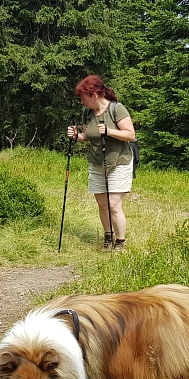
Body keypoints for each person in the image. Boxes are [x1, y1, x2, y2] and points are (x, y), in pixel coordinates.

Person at [67, 75, 136, 250]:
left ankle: (120, 242)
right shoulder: (87, 113)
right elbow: (87, 136)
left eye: (84, 98)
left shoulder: (117, 109)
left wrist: (109, 131)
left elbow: (130, 135)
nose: (82, 102)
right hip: (97, 162)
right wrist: (76, 136)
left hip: (119, 161)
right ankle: (108, 236)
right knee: (102, 204)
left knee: (113, 204)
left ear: (94, 95)